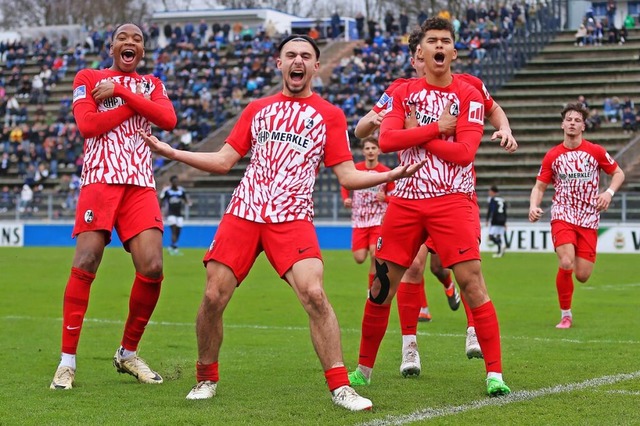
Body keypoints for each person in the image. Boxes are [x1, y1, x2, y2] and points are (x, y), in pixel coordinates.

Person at [138, 34, 425, 411]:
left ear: (316, 67)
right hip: (244, 211)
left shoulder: (329, 115)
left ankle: (341, 387)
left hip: (291, 217)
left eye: (306, 56)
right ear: (279, 63)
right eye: (291, 54)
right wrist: (170, 151)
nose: (298, 61)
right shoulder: (257, 108)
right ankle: (206, 378)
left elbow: (348, 176)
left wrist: (391, 175)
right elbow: (225, 160)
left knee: (315, 294)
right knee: (212, 296)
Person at [349, 17, 511, 397]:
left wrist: (420, 134)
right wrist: (437, 129)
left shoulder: (469, 94)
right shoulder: (403, 91)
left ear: (454, 52)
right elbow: (386, 140)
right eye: (432, 41)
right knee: (380, 286)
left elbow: (464, 153)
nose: (439, 46)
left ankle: (495, 374)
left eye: (446, 41)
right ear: (419, 52)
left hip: (452, 201)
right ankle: (362, 371)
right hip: (405, 201)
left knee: (472, 282)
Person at [49, 23, 178, 390]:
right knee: (86, 259)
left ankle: (127, 353)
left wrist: (121, 93)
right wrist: (137, 107)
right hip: (100, 180)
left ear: (142, 50)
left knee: (152, 267)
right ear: (111, 47)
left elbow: (167, 119)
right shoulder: (88, 77)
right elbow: (88, 125)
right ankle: (67, 363)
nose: (130, 42)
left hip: (140, 185)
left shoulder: (151, 83)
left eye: (137, 39)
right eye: (123, 37)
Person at [529, 102, 625, 329]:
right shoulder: (553, 155)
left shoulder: (596, 151)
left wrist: (609, 193)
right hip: (562, 213)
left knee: (582, 275)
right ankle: (566, 314)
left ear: (583, 126)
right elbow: (540, 187)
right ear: (563, 124)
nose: (572, 123)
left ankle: (568, 301)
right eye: (569, 119)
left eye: (577, 120)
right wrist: (534, 205)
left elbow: (618, 173)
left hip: (589, 218)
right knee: (565, 261)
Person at [341, 137, 394, 289]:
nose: (370, 151)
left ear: (379, 151)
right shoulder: (356, 169)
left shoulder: (386, 173)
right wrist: (346, 199)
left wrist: (386, 198)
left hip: (378, 219)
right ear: (363, 151)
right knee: (359, 258)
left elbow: (395, 197)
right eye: (367, 148)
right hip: (359, 219)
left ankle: (371, 290)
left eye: (373, 148)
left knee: (375, 255)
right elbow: (345, 185)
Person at [160, 175, 191, 255]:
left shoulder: (181, 191)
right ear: (171, 182)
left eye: (177, 181)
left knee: (178, 231)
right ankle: (174, 248)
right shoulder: (167, 191)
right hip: (171, 214)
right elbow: (162, 200)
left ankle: (172, 246)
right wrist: (160, 210)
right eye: (174, 181)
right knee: (173, 230)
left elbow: (186, 199)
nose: (176, 183)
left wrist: (188, 202)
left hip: (179, 214)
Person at [487, 185, 508, 258]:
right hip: (502, 220)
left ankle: (501, 245)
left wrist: (487, 220)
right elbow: (505, 211)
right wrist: (505, 222)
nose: (489, 192)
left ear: (493, 192)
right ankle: (499, 252)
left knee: (491, 236)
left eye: (490, 191)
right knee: (499, 235)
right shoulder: (502, 199)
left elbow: (491, 211)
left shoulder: (492, 199)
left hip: (495, 219)